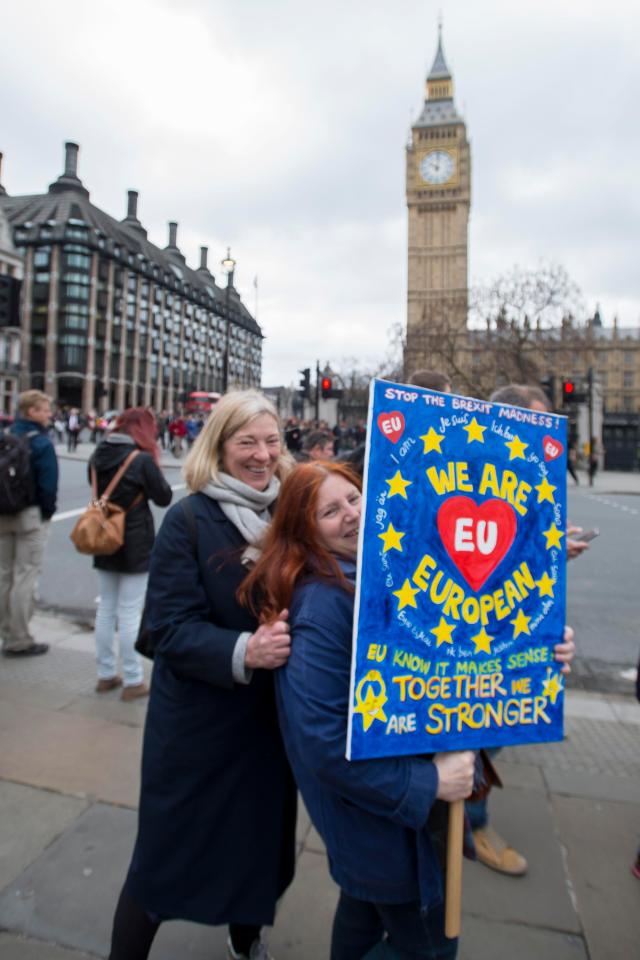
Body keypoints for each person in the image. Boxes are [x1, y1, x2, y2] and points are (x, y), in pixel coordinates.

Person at [240, 461, 476, 960]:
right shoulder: (323, 604)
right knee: (429, 949)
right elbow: (321, 741)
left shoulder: (379, 564)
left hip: (388, 819)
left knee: (364, 910)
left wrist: (538, 658)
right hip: (380, 817)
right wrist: (429, 784)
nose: (351, 514)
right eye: (330, 511)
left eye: (353, 497)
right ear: (305, 531)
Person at [108, 390, 297, 960]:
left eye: (271, 441)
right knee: (164, 861)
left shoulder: (292, 514)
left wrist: (527, 549)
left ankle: (247, 938)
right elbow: (163, 630)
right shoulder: (189, 518)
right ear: (219, 445)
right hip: (197, 729)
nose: (262, 455)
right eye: (247, 442)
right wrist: (244, 650)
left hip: (266, 729)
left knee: (256, 848)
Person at [88, 408, 173, 700]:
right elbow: (163, 497)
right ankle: (133, 680)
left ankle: (105, 673)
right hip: (135, 538)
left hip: (103, 534)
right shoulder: (141, 459)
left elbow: (95, 486)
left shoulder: (98, 453)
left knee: (106, 607)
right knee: (129, 611)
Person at [0, 390, 58, 658]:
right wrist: (46, 514)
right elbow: (48, 486)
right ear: (31, 411)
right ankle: (19, 638)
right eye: (45, 410)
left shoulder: (5, 435)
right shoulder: (41, 443)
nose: (49, 415)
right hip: (30, 516)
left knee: (4, 575)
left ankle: (4, 630)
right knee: (25, 575)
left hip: (3, 513)